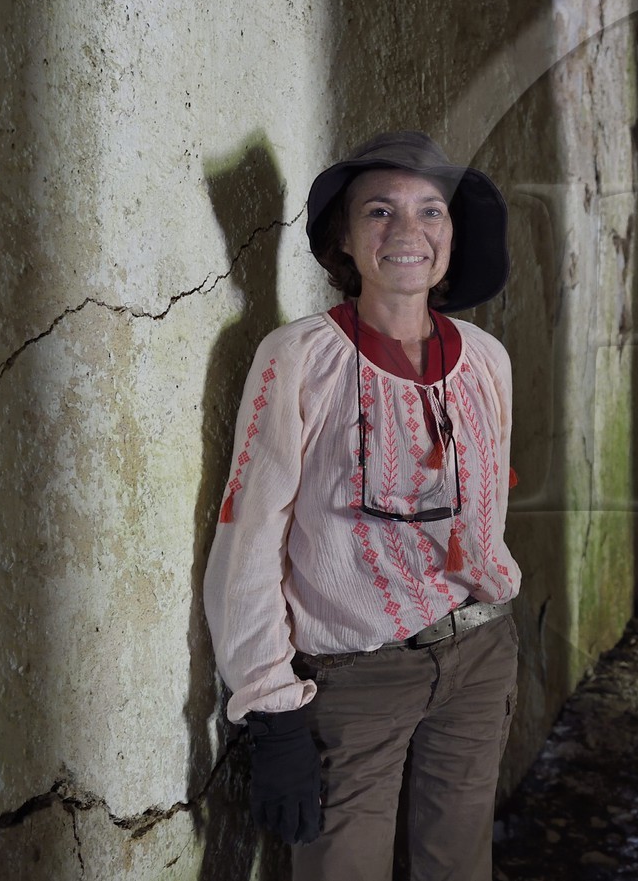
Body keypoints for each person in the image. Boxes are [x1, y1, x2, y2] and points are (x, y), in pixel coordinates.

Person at [204, 131, 523, 881]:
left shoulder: (486, 359)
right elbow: (248, 540)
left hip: (479, 656)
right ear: (345, 239)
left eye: (430, 212)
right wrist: (272, 704)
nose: (408, 232)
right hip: (357, 675)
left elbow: (483, 513)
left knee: (459, 863)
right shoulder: (300, 358)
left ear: (452, 234)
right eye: (380, 211)